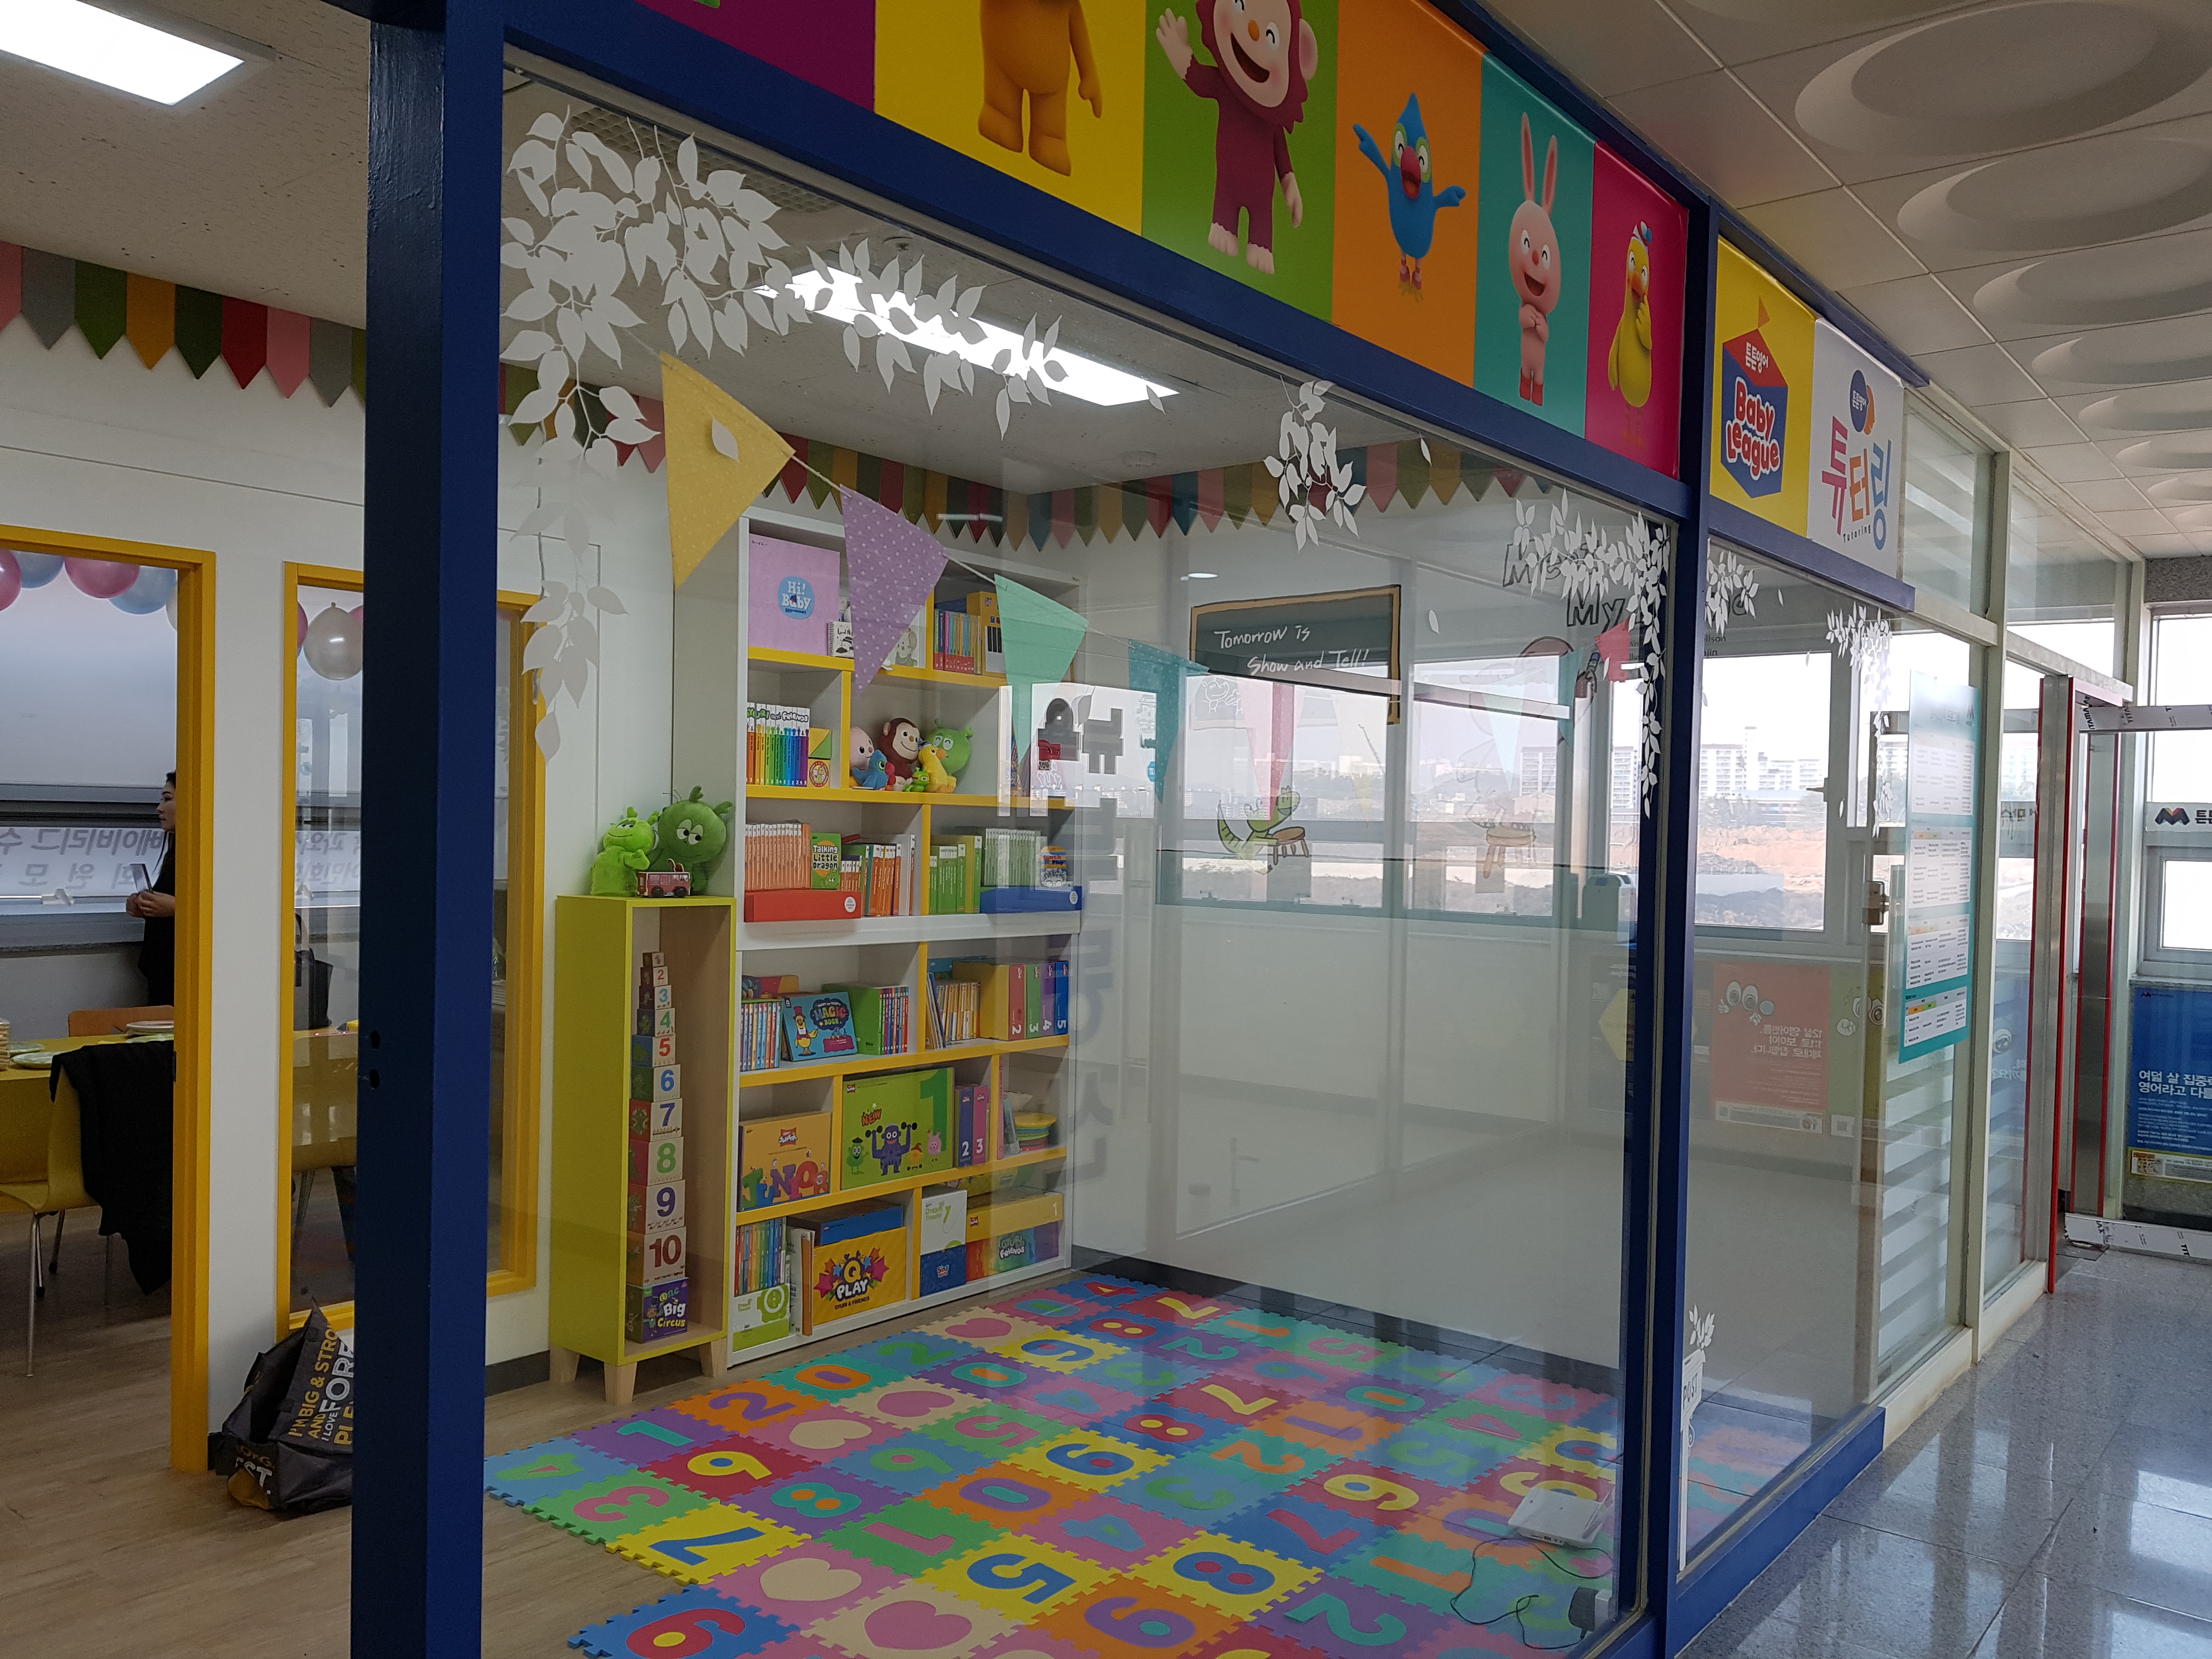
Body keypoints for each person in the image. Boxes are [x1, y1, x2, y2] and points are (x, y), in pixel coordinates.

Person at [125, 772, 177, 1004]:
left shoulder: (210, 851)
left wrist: (177, 908)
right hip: (161, 971)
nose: (159, 808)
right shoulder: (174, 851)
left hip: (181, 973)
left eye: (168, 799)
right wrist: (145, 905)